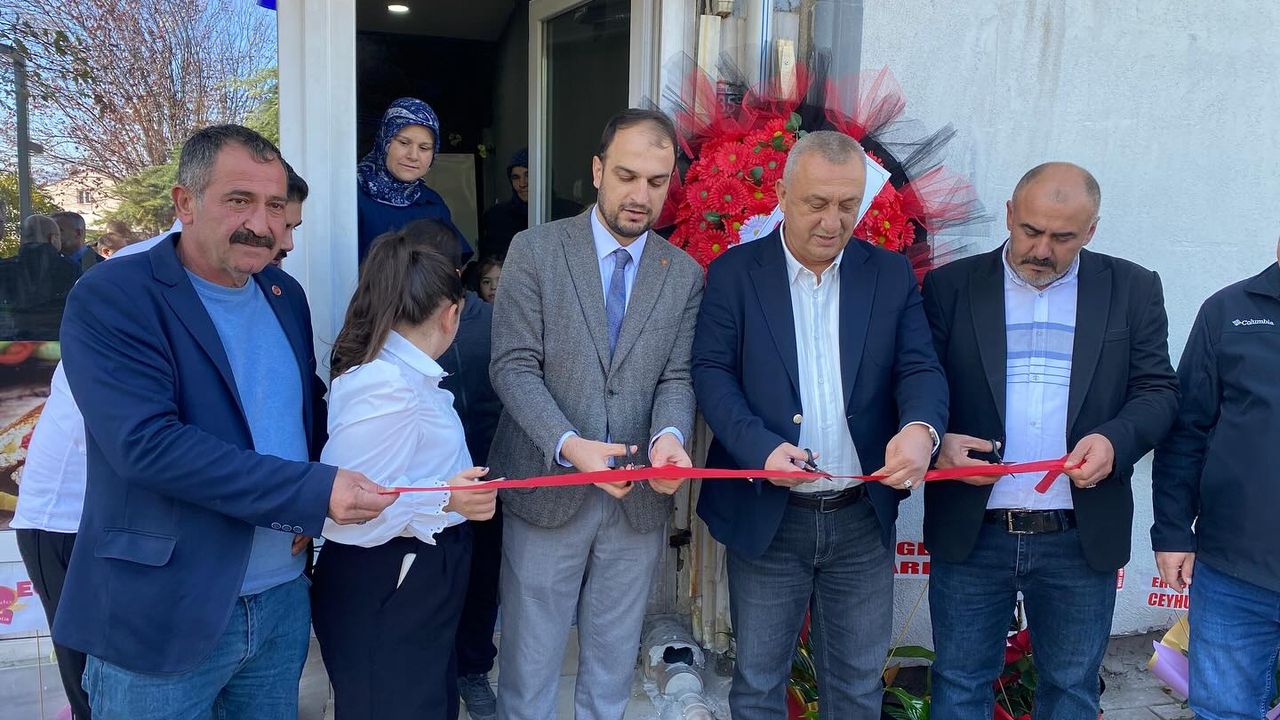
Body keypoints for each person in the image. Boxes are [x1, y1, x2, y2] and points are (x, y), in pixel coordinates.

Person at [55, 124, 395, 720]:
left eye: (274, 205)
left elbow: (303, 411)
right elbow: (146, 445)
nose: (261, 224)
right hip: (163, 609)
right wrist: (308, 492)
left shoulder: (284, 293)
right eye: (239, 200)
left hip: (280, 600)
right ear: (185, 202)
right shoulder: (114, 296)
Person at [691, 130, 946, 719]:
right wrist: (759, 449)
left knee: (856, 688)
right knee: (758, 685)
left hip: (861, 517)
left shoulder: (888, 274)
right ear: (782, 195)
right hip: (768, 516)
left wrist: (922, 430)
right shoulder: (735, 274)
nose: (833, 222)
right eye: (817, 203)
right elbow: (711, 374)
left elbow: (919, 367)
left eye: (848, 204)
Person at [920, 162, 1180, 719]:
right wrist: (938, 446)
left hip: (1079, 535)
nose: (1042, 250)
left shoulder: (1133, 288)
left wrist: (1115, 441)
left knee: (1071, 690)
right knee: (959, 686)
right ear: (1009, 215)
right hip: (973, 531)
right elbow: (918, 383)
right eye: (1030, 230)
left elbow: (1158, 391)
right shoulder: (951, 286)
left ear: (1091, 231)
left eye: (1063, 237)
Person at [489, 108, 703, 720]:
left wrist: (669, 438)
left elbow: (676, 376)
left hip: (635, 499)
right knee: (529, 668)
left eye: (656, 182)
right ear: (597, 170)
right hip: (547, 484)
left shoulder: (683, 274)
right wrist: (568, 443)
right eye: (627, 176)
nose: (640, 195)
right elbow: (512, 366)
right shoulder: (535, 250)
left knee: (611, 669)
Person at [311, 230, 496, 720]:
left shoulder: (406, 375)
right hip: (390, 582)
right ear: (451, 314)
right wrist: (447, 499)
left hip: (413, 577)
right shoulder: (387, 386)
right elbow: (347, 510)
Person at [1151, 237, 1280, 719]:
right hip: (1235, 571)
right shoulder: (1228, 312)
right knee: (1223, 713)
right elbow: (1187, 430)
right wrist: (1172, 531)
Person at [398, 218, 505, 720]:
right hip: (416, 484)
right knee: (422, 589)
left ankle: (473, 669)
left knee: (481, 581)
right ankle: (431, 672)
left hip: (482, 478)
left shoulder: (492, 320)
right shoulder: (391, 321)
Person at [357, 97, 470, 263]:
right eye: (403, 143)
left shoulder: (432, 203)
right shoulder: (353, 194)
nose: (413, 156)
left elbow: (451, 265)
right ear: (384, 141)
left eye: (424, 148)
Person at [5, 215, 79, 339]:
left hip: (12, 341)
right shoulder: (70, 268)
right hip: (58, 339)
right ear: (52, 238)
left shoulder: (6, 267)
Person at [480, 148, 528, 261]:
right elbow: (488, 262)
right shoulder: (496, 216)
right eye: (516, 177)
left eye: (528, 175)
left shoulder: (563, 212)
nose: (522, 184)